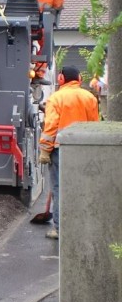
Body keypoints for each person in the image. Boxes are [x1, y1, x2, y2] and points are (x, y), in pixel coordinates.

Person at [39, 66, 99, 240]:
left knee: (59, 188)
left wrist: (45, 150)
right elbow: (94, 124)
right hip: (83, 148)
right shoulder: (90, 98)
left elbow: (51, 127)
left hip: (60, 150)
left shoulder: (55, 99)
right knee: (83, 187)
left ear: (60, 79)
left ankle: (60, 229)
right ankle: (82, 226)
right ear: (79, 78)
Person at [11, 0, 65, 85]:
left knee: (21, 44)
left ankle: (19, 69)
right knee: (46, 44)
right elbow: (58, 5)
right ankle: (39, 74)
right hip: (41, 22)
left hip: (21, 22)